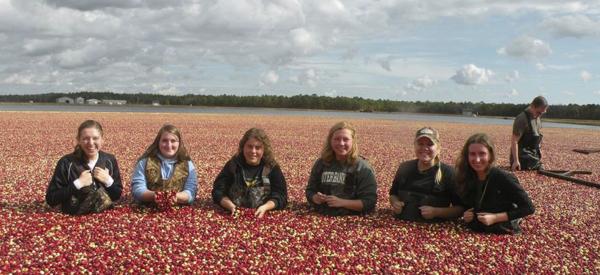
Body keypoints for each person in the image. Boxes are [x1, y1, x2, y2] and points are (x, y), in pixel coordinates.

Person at [456, 133, 535, 234]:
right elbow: (468, 203)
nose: (477, 159)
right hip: (476, 229)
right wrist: (466, 214)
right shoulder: (466, 176)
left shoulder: (503, 177)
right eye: (472, 154)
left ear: (490, 155)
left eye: (482, 153)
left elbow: (529, 208)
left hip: (501, 229)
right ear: (466, 156)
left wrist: (495, 218)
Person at [46, 120, 122, 214]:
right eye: (86, 138)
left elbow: (117, 195)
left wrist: (108, 181)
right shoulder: (66, 162)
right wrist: (78, 184)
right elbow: (51, 199)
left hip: (104, 217)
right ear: (78, 140)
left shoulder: (110, 161)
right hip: (73, 219)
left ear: (102, 139)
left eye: (95, 138)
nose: (90, 143)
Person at [389, 127, 464, 222]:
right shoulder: (404, 168)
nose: (424, 148)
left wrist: (436, 212)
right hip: (400, 225)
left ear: (438, 148)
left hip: (435, 230)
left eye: (430, 144)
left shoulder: (449, 173)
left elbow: (460, 209)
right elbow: (393, 194)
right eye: (420, 144)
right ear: (415, 146)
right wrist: (395, 203)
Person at [305, 121, 377, 216]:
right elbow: (310, 190)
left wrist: (342, 202)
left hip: (352, 220)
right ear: (330, 141)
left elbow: (370, 202)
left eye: (346, 139)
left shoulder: (362, 167)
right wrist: (315, 198)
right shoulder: (321, 163)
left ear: (353, 141)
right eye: (337, 139)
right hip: (321, 215)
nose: (341, 143)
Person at [212, 128, 287, 218]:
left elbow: (281, 195)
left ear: (264, 149)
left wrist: (265, 207)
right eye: (249, 146)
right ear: (243, 147)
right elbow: (218, 191)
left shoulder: (271, 167)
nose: (253, 151)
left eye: (258, 148)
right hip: (233, 213)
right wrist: (230, 206)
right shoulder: (233, 165)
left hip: (263, 215)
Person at [131, 124, 197, 206]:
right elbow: (137, 189)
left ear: (179, 143)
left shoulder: (188, 164)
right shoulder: (145, 162)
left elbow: (191, 191)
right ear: (158, 142)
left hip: (178, 211)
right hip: (147, 210)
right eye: (164, 141)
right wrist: (156, 196)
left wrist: (175, 197)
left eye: (173, 141)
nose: (169, 145)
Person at [511, 96, 548, 171]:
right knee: (538, 166)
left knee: (539, 165)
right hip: (521, 156)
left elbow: (537, 136)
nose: (540, 115)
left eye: (542, 113)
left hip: (533, 154)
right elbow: (514, 141)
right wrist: (515, 161)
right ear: (532, 106)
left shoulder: (537, 118)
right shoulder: (521, 119)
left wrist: (539, 150)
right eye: (538, 112)